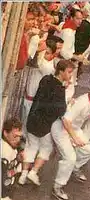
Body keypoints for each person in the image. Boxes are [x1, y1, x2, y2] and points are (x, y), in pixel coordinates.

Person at [21, 59, 74, 188]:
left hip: (33, 118)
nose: (71, 75)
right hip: (44, 124)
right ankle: (33, 172)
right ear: (61, 71)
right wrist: (69, 103)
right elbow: (61, 110)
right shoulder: (59, 89)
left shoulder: (45, 79)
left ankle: (23, 175)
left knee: (31, 146)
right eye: (69, 72)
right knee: (46, 148)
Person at [51, 80, 90, 200]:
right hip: (61, 129)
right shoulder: (82, 102)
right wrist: (74, 138)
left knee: (88, 150)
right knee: (69, 158)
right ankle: (57, 187)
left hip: (73, 129)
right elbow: (65, 120)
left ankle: (74, 168)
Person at [20, 38, 58, 145]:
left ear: (53, 55)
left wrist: (37, 51)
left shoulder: (46, 66)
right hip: (28, 96)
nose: (45, 55)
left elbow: (33, 62)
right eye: (44, 52)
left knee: (26, 128)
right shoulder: (44, 61)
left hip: (32, 100)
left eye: (47, 53)